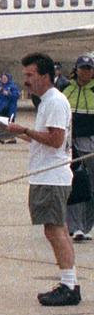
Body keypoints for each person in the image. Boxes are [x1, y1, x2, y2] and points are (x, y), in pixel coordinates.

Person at [4, 53, 78, 305]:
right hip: (46, 175)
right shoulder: (46, 101)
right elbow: (46, 137)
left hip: (52, 176)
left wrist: (24, 130)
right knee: (56, 230)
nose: (26, 80)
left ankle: (69, 284)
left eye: (30, 75)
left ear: (44, 76)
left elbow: (56, 140)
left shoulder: (55, 101)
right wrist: (12, 132)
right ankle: (68, 281)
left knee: (55, 230)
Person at [62, 53, 94, 242]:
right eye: (83, 68)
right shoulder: (66, 89)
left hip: (91, 144)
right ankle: (75, 227)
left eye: (89, 69)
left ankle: (87, 226)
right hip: (71, 146)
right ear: (76, 69)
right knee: (75, 186)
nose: (86, 72)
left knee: (91, 189)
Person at [0, 69, 23, 141]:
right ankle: (4, 137)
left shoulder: (13, 86)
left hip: (10, 108)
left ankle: (12, 138)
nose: (3, 80)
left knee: (10, 123)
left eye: (5, 78)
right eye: (2, 78)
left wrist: (9, 94)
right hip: (0, 107)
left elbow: (17, 96)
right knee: (2, 123)